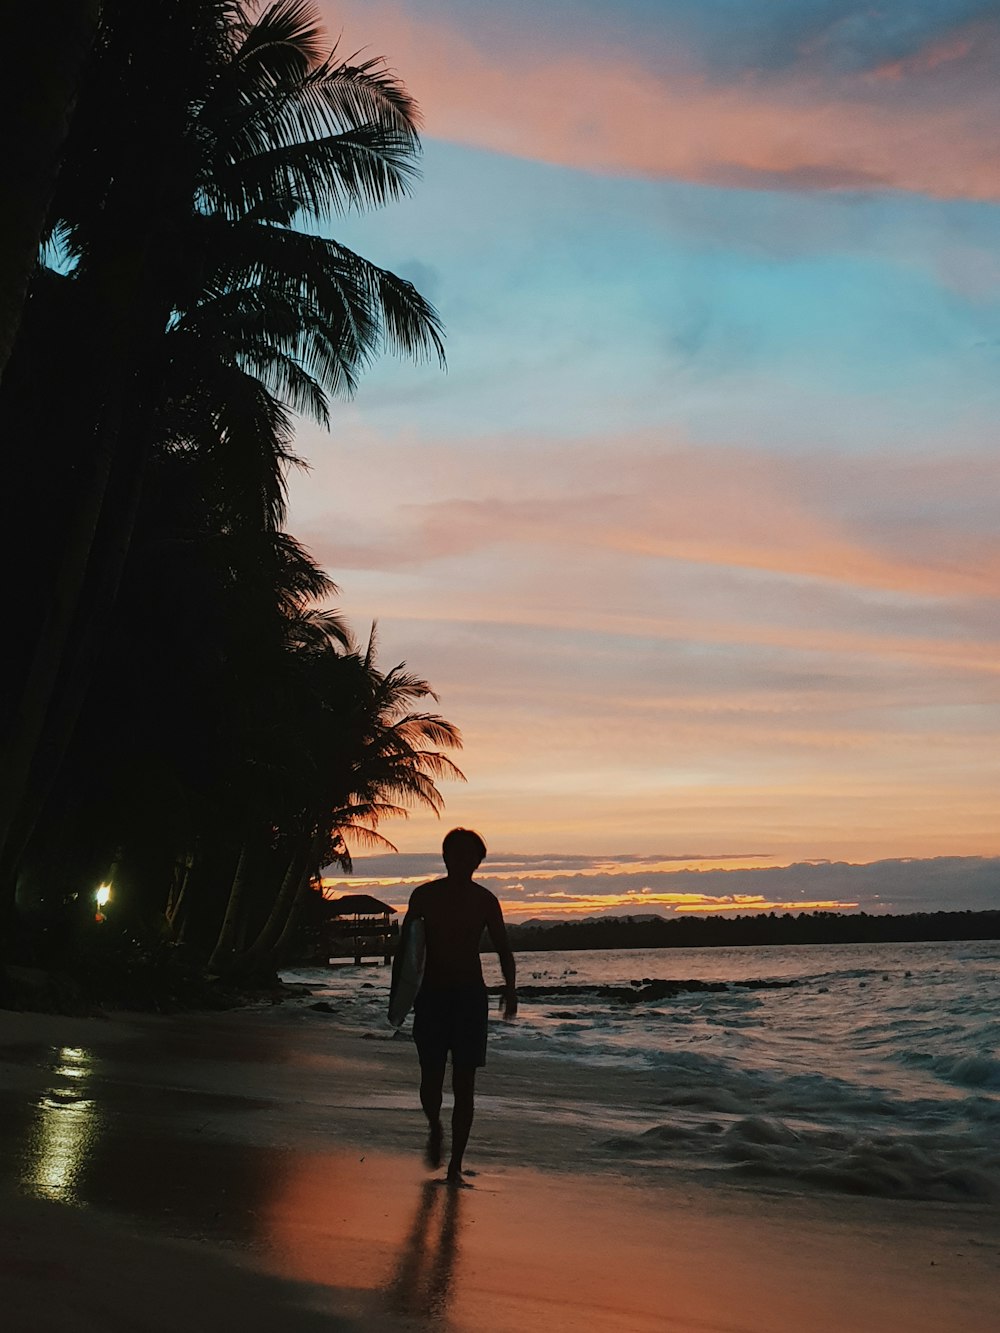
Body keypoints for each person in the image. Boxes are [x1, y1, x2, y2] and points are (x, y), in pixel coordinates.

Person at [396, 828, 516, 1186]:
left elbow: (503, 948)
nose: (469, 865)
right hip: (431, 998)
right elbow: (406, 952)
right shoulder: (424, 897)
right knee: (431, 1080)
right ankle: (434, 1126)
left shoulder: (485, 900)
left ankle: (455, 1166)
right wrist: (399, 1000)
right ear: (447, 857)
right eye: (463, 858)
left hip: (469, 999)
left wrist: (510, 989)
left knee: (465, 1083)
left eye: (475, 860)